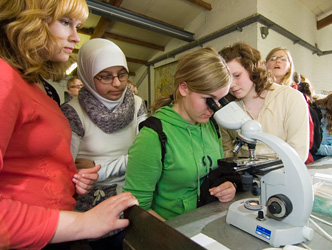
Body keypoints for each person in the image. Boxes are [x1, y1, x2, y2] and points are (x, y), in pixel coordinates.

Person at [0, 1, 138, 249]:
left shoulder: (40, 86)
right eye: (65, 22)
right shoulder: (4, 80)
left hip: (54, 232)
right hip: (29, 235)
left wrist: (72, 178)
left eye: (78, 26)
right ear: (30, 20)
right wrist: (84, 224)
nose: (76, 37)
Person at [123, 47, 236, 221]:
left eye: (220, 100)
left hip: (208, 221)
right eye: (209, 99)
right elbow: (136, 206)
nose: (215, 109)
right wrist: (175, 236)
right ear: (184, 88)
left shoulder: (211, 125)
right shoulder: (153, 136)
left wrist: (228, 187)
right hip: (170, 231)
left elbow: (214, 173)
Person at [60, 38, 147, 249]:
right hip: (91, 210)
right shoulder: (73, 112)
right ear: (88, 77)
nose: (117, 83)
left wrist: (97, 168)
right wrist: (131, 159)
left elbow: (146, 155)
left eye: (122, 74)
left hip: (137, 194)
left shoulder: (137, 104)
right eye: (105, 77)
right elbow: (69, 173)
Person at [218, 42, 309, 162]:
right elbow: (227, 153)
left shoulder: (291, 98)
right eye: (227, 79)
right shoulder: (226, 109)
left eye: (237, 75)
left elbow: (298, 153)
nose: (232, 84)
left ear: (252, 69)